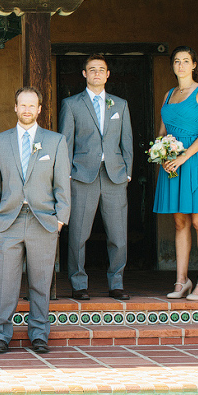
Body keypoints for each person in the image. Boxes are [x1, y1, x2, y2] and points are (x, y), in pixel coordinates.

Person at [0, 87, 71, 354]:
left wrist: (60, 219)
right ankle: (1, 333)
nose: (27, 110)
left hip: (43, 220)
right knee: (5, 280)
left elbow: (62, 186)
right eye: (22, 105)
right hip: (8, 219)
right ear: (15, 107)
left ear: (39, 109)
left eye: (32, 106)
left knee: (41, 280)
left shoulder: (55, 141)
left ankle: (39, 333)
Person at [154, 46, 198, 302]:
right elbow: (162, 131)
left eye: (186, 61)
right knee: (179, 222)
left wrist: (184, 156)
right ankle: (181, 280)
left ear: (194, 64)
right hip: (172, 163)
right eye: (177, 61)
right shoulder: (168, 95)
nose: (181, 65)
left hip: (195, 160)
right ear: (172, 66)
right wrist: (162, 154)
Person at [58, 55, 133, 301]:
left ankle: (117, 283)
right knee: (79, 234)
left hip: (114, 176)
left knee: (118, 234)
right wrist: (66, 175)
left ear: (108, 74)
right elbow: (65, 144)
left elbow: (127, 142)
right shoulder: (71, 104)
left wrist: (128, 172)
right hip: (82, 176)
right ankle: (78, 283)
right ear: (84, 74)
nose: (97, 73)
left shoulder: (120, 104)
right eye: (92, 70)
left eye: (101, 70)